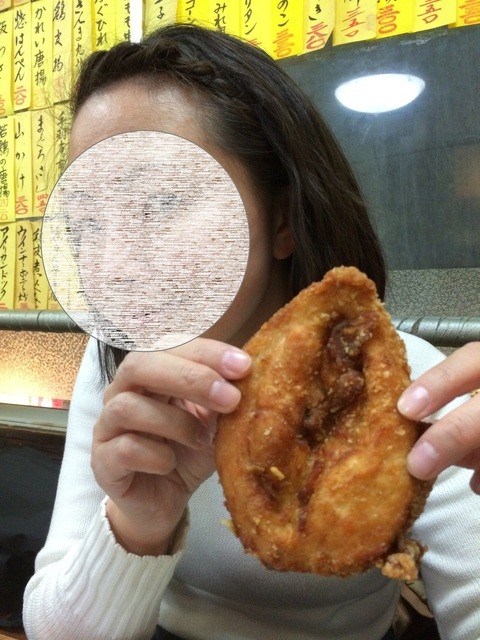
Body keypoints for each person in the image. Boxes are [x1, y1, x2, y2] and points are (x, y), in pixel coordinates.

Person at [23, 24, 480, 640]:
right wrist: (137, 523)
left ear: (282, 218)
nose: (111, 266)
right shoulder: (119, 367)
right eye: (87, 225)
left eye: (159, 203)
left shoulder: (411, 391)